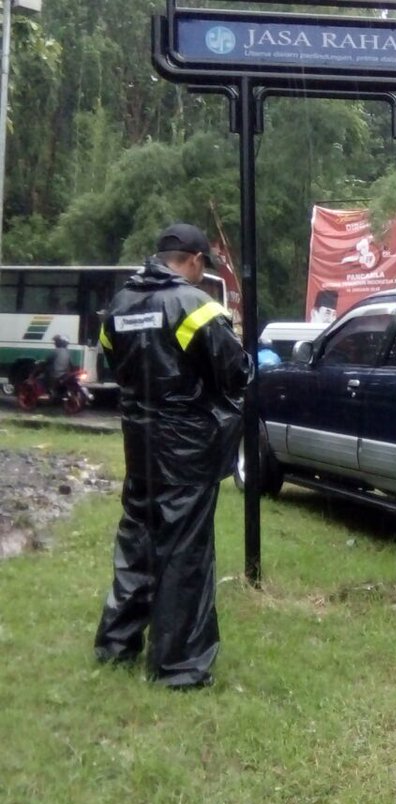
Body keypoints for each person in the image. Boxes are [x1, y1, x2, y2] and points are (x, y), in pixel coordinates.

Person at [93, 223, 251, 689]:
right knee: (184, 559)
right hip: (185, 455)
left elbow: (115, 364)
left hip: (139, 448)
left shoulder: (118, 306)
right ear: (196, 261)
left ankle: (116, 646)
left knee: (137, 546)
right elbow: (235, 372)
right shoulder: (197, 307)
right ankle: (177, 668)